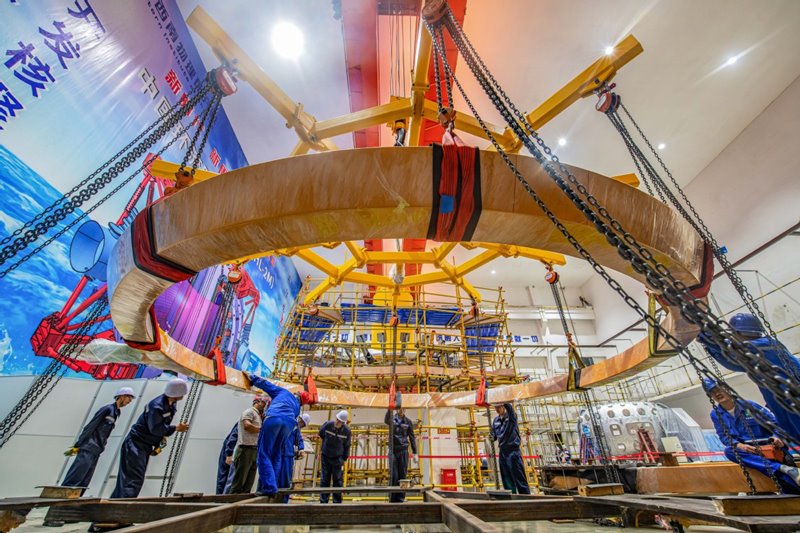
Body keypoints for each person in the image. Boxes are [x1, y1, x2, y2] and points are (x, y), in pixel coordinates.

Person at [698, 313, 800, 441]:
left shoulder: (765, 345)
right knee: (794, 432)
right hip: (781, 399)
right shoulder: (753, 357)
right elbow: (730, 362)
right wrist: (706, 340)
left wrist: (704, 334)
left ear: (738, 332)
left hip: (793, 396)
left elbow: (732, 354)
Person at [704, 378, 800, 494]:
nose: (717, 393)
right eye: (712, 392)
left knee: (790, 488)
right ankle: (783, 469)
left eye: (718, 389)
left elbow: (775, 424)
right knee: (729, 451)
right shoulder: (716, 414)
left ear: (726, 388)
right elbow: (725, 437)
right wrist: (739, 445)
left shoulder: (749, 405)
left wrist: (776, 437)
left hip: (769, 446)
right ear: (710, 396)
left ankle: (785, 472)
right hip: (749, 451)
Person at [110, 379, 190, 498]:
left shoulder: (170, 403)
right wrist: (175, 428)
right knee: (133, 479)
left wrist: (160, 439)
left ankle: (115, 506)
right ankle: (121, 508)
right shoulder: (156, 406)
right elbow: (155, 429)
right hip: (135, 445)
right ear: (177, 393)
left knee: (131, 478)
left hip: (143, 445)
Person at [247, 373, 314, 497]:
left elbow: (267, 385)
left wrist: (252, 378)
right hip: (288, 424)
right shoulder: (297, 407)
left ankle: (269, 488)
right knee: (277, 453)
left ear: (297, 394)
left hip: (274, 418)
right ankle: (273, 486)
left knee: (264, 453)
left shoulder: (284, 392)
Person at [61, 387, 136, 489]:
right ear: (121, 396)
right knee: (75, 478)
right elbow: (91, 426)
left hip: (97, 450)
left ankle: (76, 502)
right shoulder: (107, 409)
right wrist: (78, 445)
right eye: (129, 397)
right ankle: (62, 498)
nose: (130, 401)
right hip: (88, 447)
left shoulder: (117, 412)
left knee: (85, 480)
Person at [229, 395, 269, 494]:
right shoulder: (249, 412)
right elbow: (247, 426)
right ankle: (230, 503)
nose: (264, 405)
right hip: (245, 450)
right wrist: (262, 430)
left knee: (249, 482)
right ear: (257, 401)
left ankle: (243, 504)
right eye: (263, 402)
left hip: (254, 450)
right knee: (239, 481)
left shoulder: (258, 416)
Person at [490, 402, 530, 494]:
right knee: (506, 478)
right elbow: (494, 434)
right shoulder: (496, 420)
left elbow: (510, 409)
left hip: (513, 451)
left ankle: (526, 499)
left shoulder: (511, 417)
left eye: (499, 406)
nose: (497, 409)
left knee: (519, 477)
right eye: (495, 407)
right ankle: (512, 498)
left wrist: (504, 399)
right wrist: (492, 436)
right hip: (502, 452)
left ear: (503, 406)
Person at [385, 407, 418, 503]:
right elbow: (386, 420)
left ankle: (401, 497)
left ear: (405, 410)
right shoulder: (392, 419)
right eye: (399, 408)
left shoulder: (408, 422)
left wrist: (415, 452)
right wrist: (389, 409)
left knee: (402, 475)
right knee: (394, 475)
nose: (401, 410)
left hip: (403, 451)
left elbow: (412, 437)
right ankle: (392, 498)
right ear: (396, 409)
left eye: (403, 409)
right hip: (393, 451)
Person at [318, 410, 351, 504]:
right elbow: (321, 434)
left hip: (337, 458)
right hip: (326, 456)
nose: (336, 422)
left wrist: (343, 459)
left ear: (343, 423)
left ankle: (337, 502)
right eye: (336, 419)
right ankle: (323, 501)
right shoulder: (328, 425)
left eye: (339, 421)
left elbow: (347, 445)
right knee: (325, 479)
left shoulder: (347, 431)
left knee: (337, 481)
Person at [278, 413, 311, 503]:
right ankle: (281, 500)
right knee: (283, 479)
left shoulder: (293, 426)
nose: (302, 427)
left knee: (283, 479)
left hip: (284, 454)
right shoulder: (294, 425)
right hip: (285, 454)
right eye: (303, 425)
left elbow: (298, 439)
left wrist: (300, 449)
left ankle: (281, 500)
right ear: (301, 420)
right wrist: (300, 449)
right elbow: (299, 439)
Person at [216, 423, 238, 495]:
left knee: (227, 478)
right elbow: (233, 437)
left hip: (233, 450)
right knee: (224, 478)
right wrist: (229, 454)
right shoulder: (247, 418)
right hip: (230, 451)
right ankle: (219, 499)